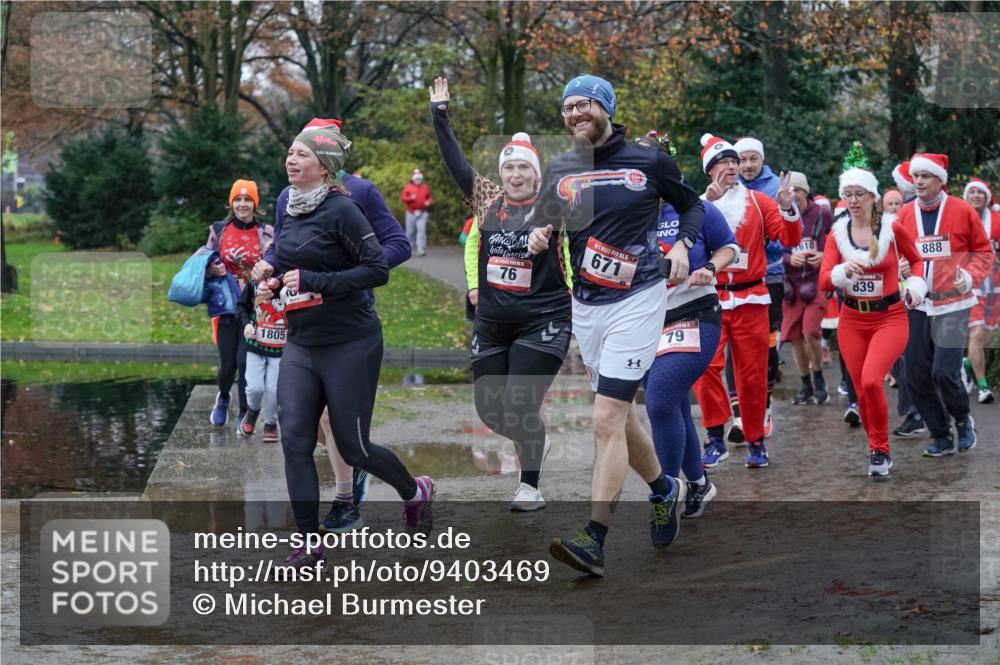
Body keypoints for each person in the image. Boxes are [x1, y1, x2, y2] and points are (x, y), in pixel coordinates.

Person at [527, 74, 705, 576]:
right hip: (587, 307)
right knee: (622, 417)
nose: (575, 114)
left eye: (584, 105)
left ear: (606, 108)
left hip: (639, 298)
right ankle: (663, 489)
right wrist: (543, 231)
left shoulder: (649, 160)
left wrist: (682, 245)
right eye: (567, 108)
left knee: (604, 420)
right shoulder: (561, 168)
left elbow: (692, 204)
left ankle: (595, 538)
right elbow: (553, 217)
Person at [259, 120, 433, 566]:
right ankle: (309, 538)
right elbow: (283, 249)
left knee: (354, 447)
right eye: (291, 152)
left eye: (300, 154)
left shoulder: (344, 209)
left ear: (324, 165)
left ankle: (415, 491)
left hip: (350, 340)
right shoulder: (285, 201)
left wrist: (316, 279)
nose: (290, 160)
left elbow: (378, 268)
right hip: (302, 339)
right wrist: (268, 270)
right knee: (295, 441)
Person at [431, 76, 571, 511]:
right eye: (508, 167)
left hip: (543, 320)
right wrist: (439, 115)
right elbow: (455, 163)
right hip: (492, 324)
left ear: (536, 173)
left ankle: (529, 486)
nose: (515, 174)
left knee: (520, 401)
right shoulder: (487, 200)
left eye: (523, 167)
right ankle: (535, 440)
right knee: (493, 413)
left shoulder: (554, 201)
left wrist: (548, 233)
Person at [642, 131, 738, 519]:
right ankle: (699, 483)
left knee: (661, 398)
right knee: (675, 405)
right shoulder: (626, 215)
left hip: (696, 313)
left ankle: (666, 496)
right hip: (645, 324)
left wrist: (709, 268)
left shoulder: (693, 207)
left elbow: (729, 246)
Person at [693, 134, 801, 470]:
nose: (730, 167)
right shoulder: (697, 205)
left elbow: (789, 239)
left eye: (733, 162)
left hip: (752, 297)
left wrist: (786, 206)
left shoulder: (759, 202)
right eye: (723, 163)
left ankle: (755, 440)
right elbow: (684, 244)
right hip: (710, 297)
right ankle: (714, 436)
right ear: (710, 171)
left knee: (752, 375)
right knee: (705, 367)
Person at [819, 144, 927, 477]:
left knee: (870, 382)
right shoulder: (837, 235)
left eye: (859, 194)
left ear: (872, 197)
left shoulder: (893, 229)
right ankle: (876, 446)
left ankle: (880, 451)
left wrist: (918, 288)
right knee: (862, 389)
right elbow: (824, 280)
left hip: (890, 317)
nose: (853, 200)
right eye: (847, 194)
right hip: (852, 319)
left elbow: (918, 260)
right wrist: (841, 273)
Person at [896, 153, 994, 456]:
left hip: (954, 303)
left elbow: (984, 252)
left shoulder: (962, 211)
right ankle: (940, 434)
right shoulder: (904, 214)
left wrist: (970, 275)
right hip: (918, 303)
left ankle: (963, 420)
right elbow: (897, 255)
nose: (920, 181)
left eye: (926, 176)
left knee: (943, 372)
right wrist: (899, 268)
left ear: (941, 180)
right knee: (914, 375)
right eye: (916, 176)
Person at [724, 136, 788, 442]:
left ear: (762, 160)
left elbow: (784, 235)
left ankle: (764, 405)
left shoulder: (775, 188)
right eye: (742, 160)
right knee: (729, 350)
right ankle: (739, 416)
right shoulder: (725, 185)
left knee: (766, 347)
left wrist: (758, 242)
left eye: (753, 159)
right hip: (727, 281)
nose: (747, 166)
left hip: (769, 276)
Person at [203, 180, 274, 429]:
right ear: (231, 203)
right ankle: (223, 397)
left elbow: (277, 262)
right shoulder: (219, 230)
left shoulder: (266, 232)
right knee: (228, 366)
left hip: (255, 308)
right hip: (225, 306)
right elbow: (202, 260)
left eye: (247, 200)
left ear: (255, 204)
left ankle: (244, 413)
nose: (242, 204)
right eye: (238, 199)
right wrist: (211, 268)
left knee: (245, 363)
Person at [782, 171, 833, 405]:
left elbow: (837, 240)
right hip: (791, 285)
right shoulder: (779, 214)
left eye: (797, 191)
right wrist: (787, 259)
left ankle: (819, 380)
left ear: (805, 192)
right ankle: (805, 386)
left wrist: (825, 255)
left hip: (816, 281)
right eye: (789, 192)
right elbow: (769, 248)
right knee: (794, 337)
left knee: (810, 331)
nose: (793, 196)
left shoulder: (821, 213)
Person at [236, 275, 287, 443]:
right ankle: (252, 411)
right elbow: (241, 306)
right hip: (255, 344)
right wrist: (246, 324)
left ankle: (271, 423)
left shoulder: (293, 279)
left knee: (274, 390)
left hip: (281, 348)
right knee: (254, 388)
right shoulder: (255, 281)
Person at [963, 177, 1000, 404]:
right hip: (971, 284)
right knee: (976, 332)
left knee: (987, 334)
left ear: (986, 197)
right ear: (966, 196)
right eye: (972, 192)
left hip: (995, 283)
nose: (976, 195)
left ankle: (967, 363)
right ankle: (983, 386)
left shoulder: (996, 219)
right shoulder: (958, 217)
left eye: (980, 192)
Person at [401, 168, 433, 256]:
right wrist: (410, 198)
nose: (418, 180)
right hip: (411, 212)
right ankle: (408, 249)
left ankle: (421, 248)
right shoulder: (408, 187)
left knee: (421, 230)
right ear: (413, 179)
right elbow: (403, 198)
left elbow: (429, 197)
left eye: (419, 179)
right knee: (410, 231)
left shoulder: (425, 187)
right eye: (416, 179)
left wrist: (428, 202)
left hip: (422, 212)